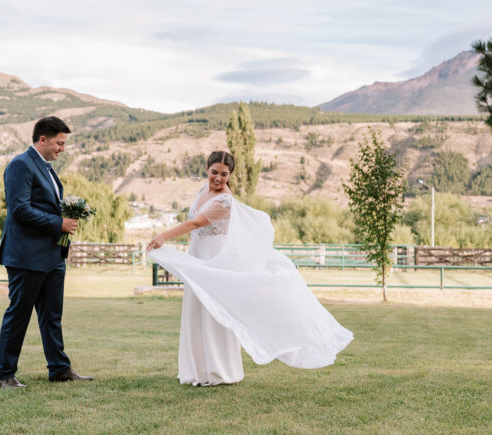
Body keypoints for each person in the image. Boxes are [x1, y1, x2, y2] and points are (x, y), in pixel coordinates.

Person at [147, 151, 353, 386]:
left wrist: (163, 236)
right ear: (206, 169)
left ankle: (220, 372)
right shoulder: (201, 191)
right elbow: (194, 226)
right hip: (199, 256)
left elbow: (195, 223)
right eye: (214, 172)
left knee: (216, 314)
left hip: (216, 261)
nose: (218, 178)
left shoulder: (224, 200)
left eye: (224, 174)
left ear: (230, 175)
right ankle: (197, 371)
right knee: (197, 310)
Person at [0, 116, 93, 387]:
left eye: (64, 143)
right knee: (19, 314)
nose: (62, 148)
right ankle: (5, 373)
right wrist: (58, 222)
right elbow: (19, 209)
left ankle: (59, 369)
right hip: (26, 257)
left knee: (52, 316)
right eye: (59, 143)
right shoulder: (20, 165)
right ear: (42, 139)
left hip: (51, 256)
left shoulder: (47, 168)